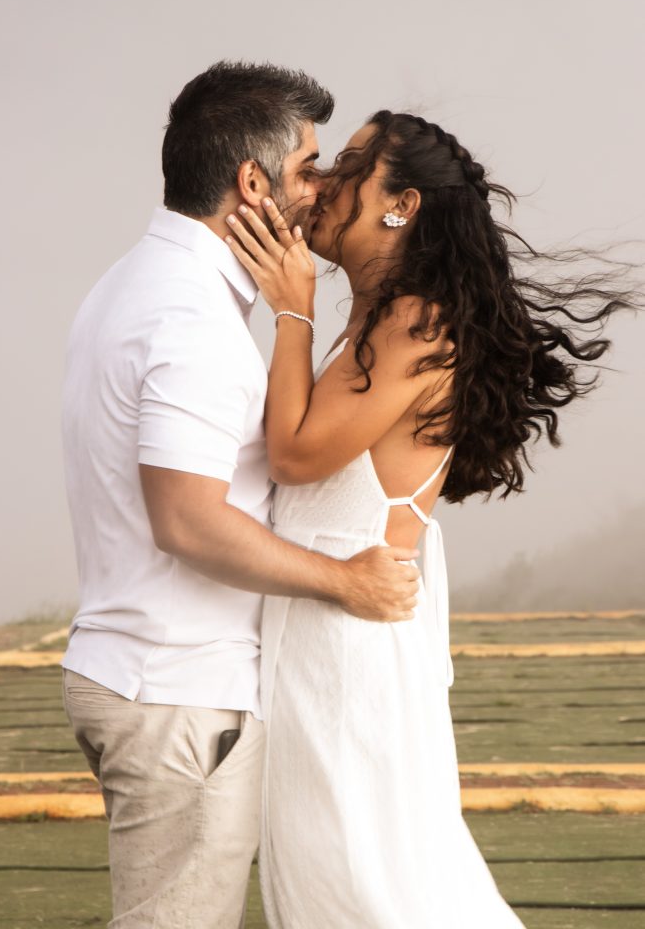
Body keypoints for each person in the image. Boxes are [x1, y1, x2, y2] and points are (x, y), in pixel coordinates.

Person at [222, 110, 633, 928]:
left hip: (349, 651)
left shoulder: (414, 321)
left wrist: (292, 310)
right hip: (327, 635)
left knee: (370, 881)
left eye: (350, 166)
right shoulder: (382, 318)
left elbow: (297, 456)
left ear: (401, 205)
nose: (323, 183)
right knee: (349, 872)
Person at [59, 65, 419, 929]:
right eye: (307, 169)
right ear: (252, 184)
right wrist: (348, 582)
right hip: (179, 694)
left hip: (146, 677)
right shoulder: (190, 318)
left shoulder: (135, 282)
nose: (320, 188)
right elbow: (187, 520)